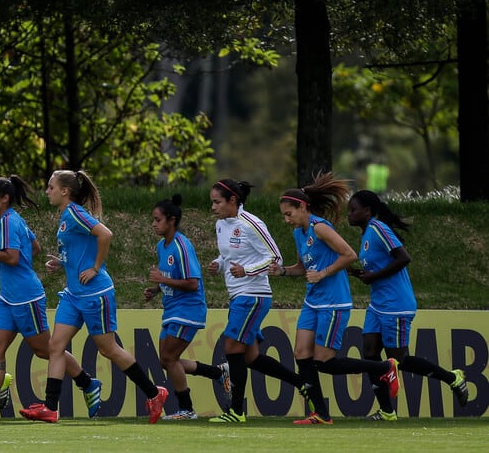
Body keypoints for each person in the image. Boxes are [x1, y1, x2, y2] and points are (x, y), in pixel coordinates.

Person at [19, 169, 168, 424]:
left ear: (65, 191)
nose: (47, 191)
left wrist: (96, 267)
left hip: (95, 293)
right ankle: (50, 408)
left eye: (50, 187)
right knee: (55, 346)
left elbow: (105, 234)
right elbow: (79, 250)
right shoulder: (67, 215)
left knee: (108, 349)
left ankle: (155, 394)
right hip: (73, 294)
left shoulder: (76, 213)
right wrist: (63, 263)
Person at [0, 176, 103, 422]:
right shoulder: (10, 220)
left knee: (45, 350)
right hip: (8, 297)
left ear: (5, 198)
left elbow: (14, 257)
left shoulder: (9, 222)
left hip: (26, 297)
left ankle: (88, 383)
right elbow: (33, 247)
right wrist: (4, 262)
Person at [271, 172, 401, 425]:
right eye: (284, 215)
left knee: (325, 362)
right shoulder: (300, 232)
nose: (286, 220)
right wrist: (283, 271)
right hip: (313, 302)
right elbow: (302, 266)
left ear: (303, 207)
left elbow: (349, 254)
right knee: (301, 354)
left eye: (289, 214)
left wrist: (323, 273)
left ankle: (385, 368)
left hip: (334, 303)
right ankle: (320, 414)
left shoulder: (320, 227)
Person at [347, 189, 469, 420]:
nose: (349, 215)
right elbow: (380, 267)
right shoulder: (366, 235)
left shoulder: (378, 228)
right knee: (370, 353)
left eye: (353, 210)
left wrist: (374, 277)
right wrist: (361, 274)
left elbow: (404, 258)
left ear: (367, 211)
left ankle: (453, 378)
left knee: (399, 360)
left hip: (397, 305)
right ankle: (386, 411)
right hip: (378, 304)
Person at [205, 179, 315, 423]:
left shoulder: (251, 223)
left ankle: (236, 411)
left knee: (232, 347)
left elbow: (274, 256)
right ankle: (301, 383)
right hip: (238, 296)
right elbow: (229, 255)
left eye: (217, 202)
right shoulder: (221, 225)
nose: (213, 207)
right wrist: (219, 263)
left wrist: (247, 271)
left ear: (233, 200)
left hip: (253, 295)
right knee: (251, 357)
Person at [142, 193, 230, 421]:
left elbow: (192, 283)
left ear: (171, 220)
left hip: (188, 309)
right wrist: (156, 290)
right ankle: (217, 372)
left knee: (169, 358)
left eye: (157, 219)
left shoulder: (182, 246)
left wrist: (162, 280)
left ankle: (187, 409)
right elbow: (172, 276)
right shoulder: (162, 246)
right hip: (172, 309)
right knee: (165, 360)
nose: (153, 223)